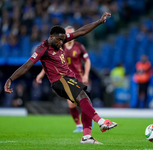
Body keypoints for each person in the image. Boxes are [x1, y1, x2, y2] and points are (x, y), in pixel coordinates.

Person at [4, 12, 117, 144]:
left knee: (86, 100)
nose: (61, 43)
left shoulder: (61, 39)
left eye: (62, 40)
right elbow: (26, 66)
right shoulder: (42, 48)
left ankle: (86, 137)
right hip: (60, 81)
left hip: (70, 79)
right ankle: (102, 122)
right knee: (82, 95)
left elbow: (81, 31)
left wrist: (99, 21)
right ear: (51, 37)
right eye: (58, 40)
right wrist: (10, 79)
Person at [36, 26, 91, 133]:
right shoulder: (60, 46)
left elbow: (87, 61)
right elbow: (50, 62)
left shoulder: (79, 47)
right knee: (71, 103)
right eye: (67, 33)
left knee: (84, 100)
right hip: (65, 78)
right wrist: (41, 74)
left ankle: (88, 117)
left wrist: (86, 75)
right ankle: (79, 125)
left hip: (78, 77)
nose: (69, 36)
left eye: (71, 33)